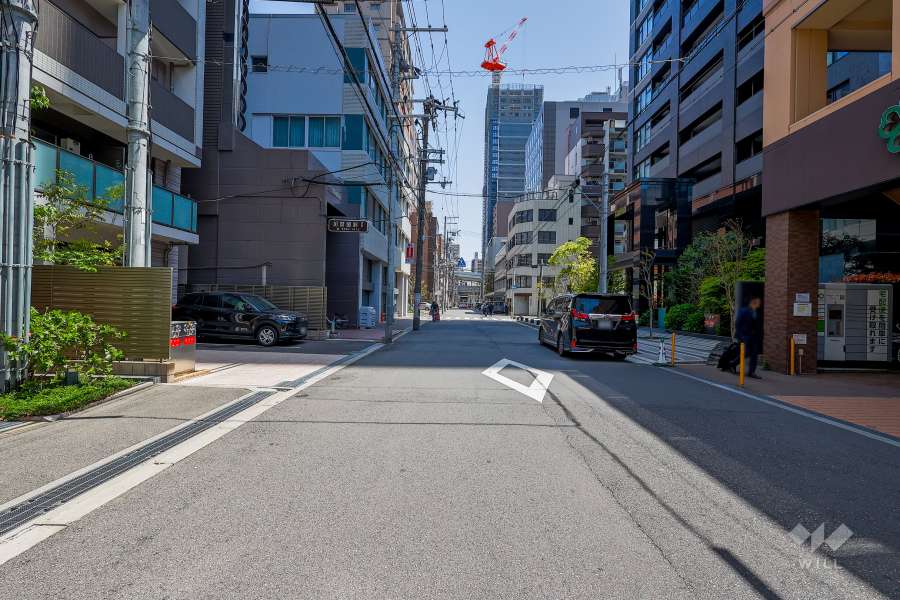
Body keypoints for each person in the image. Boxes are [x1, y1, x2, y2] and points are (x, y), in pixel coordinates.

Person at [735, 296, 763, 379]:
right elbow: (738, 324)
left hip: (754, 337)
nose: (759, 303)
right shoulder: (744, 311)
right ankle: (732, 363)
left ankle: (752, 372)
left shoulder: (757, 312)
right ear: (752, 302)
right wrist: (740, 336)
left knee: (754, 354)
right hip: (745, 336)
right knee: (746, 353)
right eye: (758, 302)